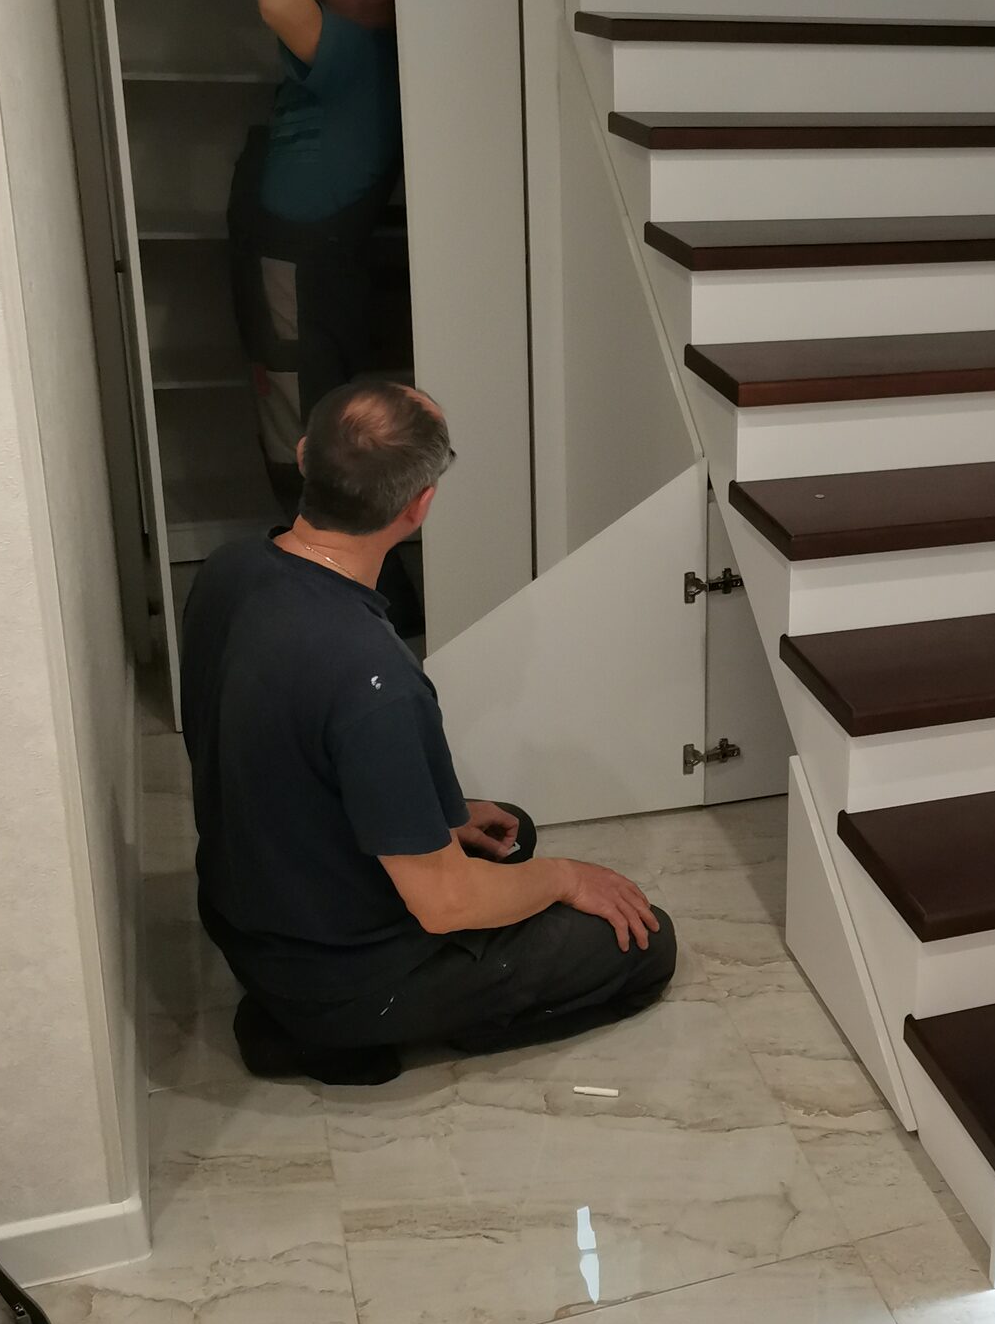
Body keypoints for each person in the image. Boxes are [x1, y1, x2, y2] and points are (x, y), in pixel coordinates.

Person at [181, 377, 676, 1085]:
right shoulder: (372, 675)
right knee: (644, 946)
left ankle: (321, 1010)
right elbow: (447, 905)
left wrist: (443, 817)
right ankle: (333, 1031)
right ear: (419, 506)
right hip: (336, 974)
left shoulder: (229, 570)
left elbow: (272, 750)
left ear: (303, 454)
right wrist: (566, 879)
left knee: (509, 830)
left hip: (246, 911)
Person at [229, 0, 402, 526]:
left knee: (301, 437)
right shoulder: (354, 47)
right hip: (298, 269)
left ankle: (325, 559)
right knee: (305, 419)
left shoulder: (361, 53)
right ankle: (335, 560)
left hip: (300, 275)